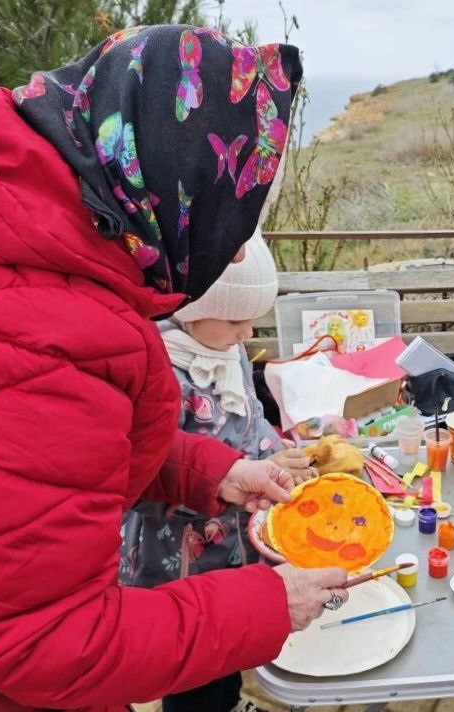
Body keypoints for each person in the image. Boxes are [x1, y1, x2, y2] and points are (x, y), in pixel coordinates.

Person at [0, 25, 347, 711]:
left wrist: (210, 469)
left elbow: (23, 458)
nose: (234, 254)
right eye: (226, 215)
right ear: (169, 178)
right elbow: (52, 646)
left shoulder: (4, 240)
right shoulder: (37, 327)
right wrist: (268, 604)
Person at [121, 229, 315, 712]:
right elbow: (142, 477)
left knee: (232, 637)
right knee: (191, 656)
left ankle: (229, 701)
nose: (248, 334)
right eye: (235, 321)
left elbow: (251, 423)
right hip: (176, 553)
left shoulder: (228, 353)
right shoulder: (162, 373)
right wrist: (245, 470)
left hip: (233, 541)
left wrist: (279, 453)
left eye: (252, 321)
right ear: (189, 309)